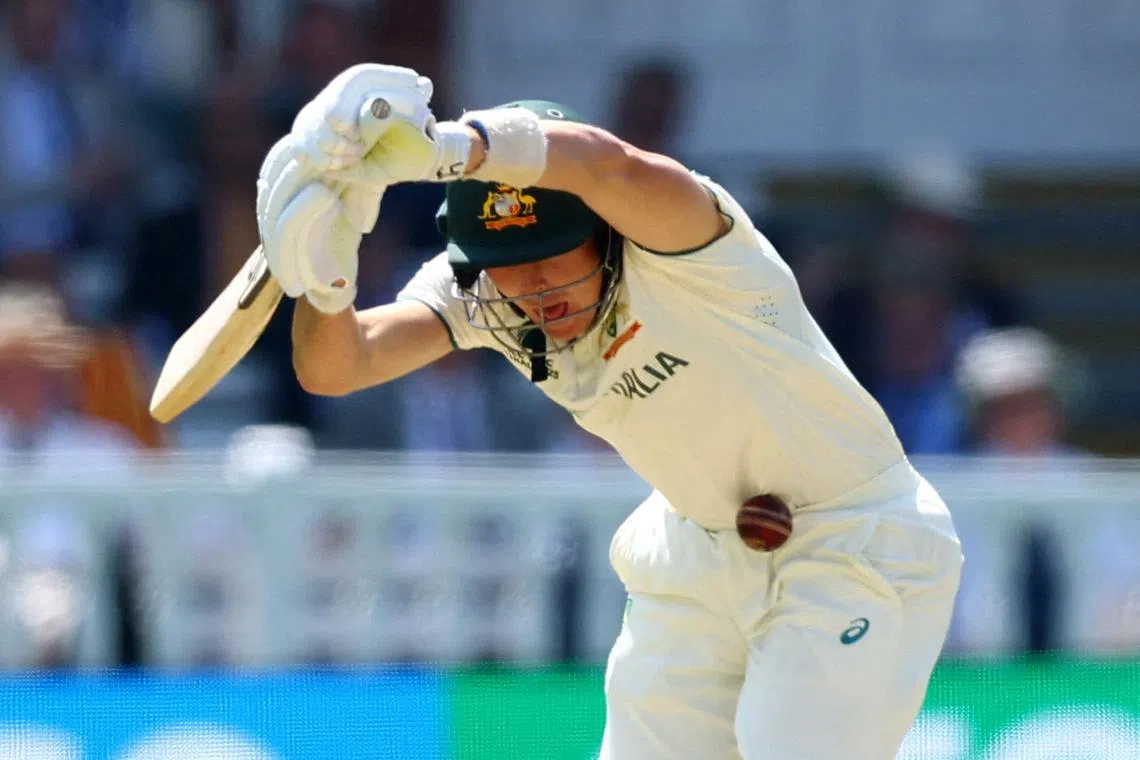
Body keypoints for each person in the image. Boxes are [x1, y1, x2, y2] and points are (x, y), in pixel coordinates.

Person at [255, 64, 964, 760]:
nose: (535, 289)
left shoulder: (689, 242)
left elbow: (612, 168)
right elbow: (337, 365)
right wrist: (325, 272)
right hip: (699, 545)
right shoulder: (484, 284)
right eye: (510, 263)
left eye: (552, 254)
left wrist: (451, 148)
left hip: (853, 533)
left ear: (600, 227)